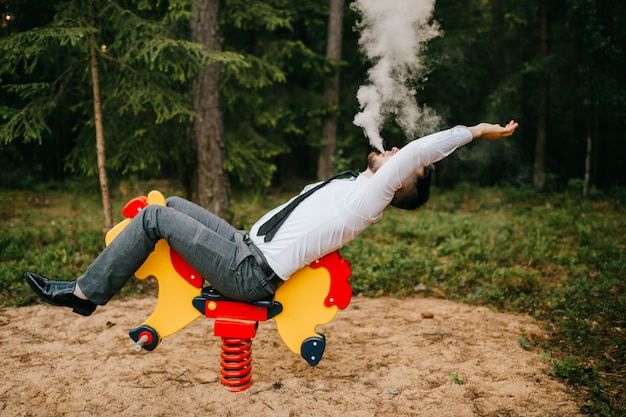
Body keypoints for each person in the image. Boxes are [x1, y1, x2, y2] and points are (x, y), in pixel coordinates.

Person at [25, 120, 519, 316]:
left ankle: (86, 294)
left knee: (154, 218)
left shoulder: (369, 200)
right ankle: (105, 282)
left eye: (401, 159)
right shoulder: (356, 187)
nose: (391, 150)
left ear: (403, 181)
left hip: (250, 272)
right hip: (244, 244)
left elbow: (418, 150)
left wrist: (476, 132)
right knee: (172, 204)